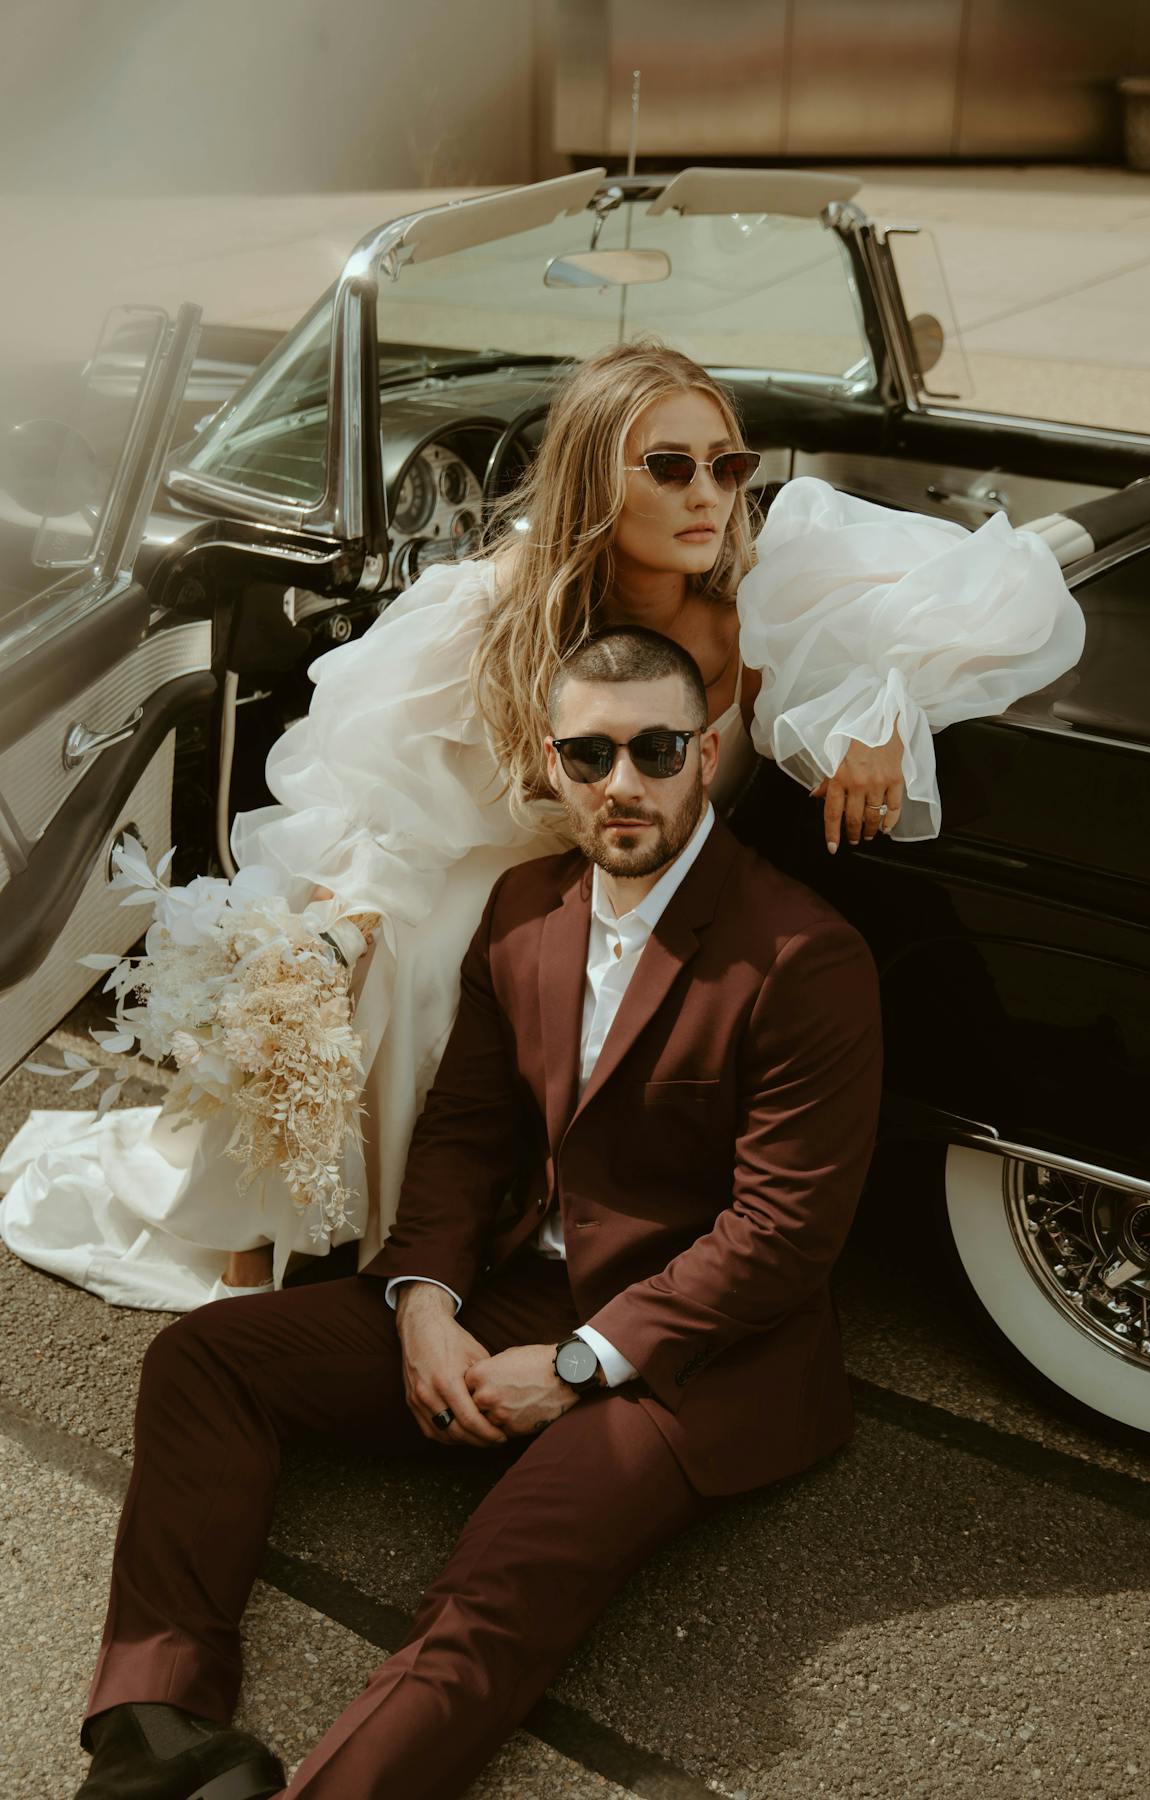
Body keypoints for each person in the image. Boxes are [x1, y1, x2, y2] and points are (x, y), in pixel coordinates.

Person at [0, 340, 1083, 1307]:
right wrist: (334, 927)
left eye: (728, 464)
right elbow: (382, 789)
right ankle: (313, 1242)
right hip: (491, 860)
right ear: (592, 480)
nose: (708, 492)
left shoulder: (764, 598)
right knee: (412, 963)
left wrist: (879, 700)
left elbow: (998, 592)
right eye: (668, 466)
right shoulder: (495, 610)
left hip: (656, 878)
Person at [74, 628, 882, 1800]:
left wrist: (575, 1367)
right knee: (204, 1359)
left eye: (657, 749)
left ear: (707, 753)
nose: (624, 783)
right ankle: (151, 1737)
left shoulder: (805, 954)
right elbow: (466, 1135)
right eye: (591, 753)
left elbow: (785, 1234)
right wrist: (423, 1306)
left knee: (490, 1588)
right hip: (514, 1290)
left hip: (684, 1357)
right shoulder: (523, 907)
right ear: (552, 764)